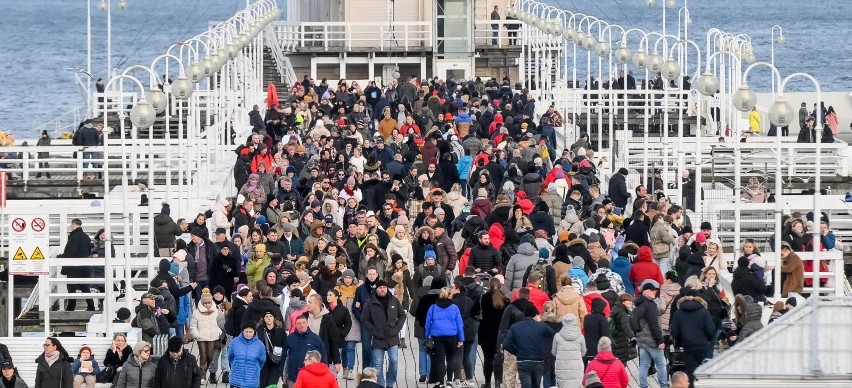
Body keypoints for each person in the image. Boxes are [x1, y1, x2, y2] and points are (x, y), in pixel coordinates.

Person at [360, 279, 407, 388]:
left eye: (384, 287)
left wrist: (397, 328)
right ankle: (380, 385)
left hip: (392, 337)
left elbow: (402, 315)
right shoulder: (370, 302)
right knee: (377, 364)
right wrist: (373, 330)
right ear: (376, 289)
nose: (382, 289)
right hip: (378, 338)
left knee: (394, 361)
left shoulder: (394, 300)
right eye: (380, 288)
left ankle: (390, 383)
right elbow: (364, 318)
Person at [503, 305, 556, 388]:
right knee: (536, 385)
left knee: (525, 384)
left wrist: (516, 352)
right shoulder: (541, 326)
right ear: (535, 314)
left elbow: (506, 344)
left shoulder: (515, 327)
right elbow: (553, 334)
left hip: (523, 360)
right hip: (538, 359)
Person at [669, 293, 715, 386]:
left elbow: (674, 331)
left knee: (691, 374)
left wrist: (681, 341)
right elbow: (711, 329)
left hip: (688, 346)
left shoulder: (679, 313)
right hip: (703, 346)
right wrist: (708, 339)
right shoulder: (703, 311)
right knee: (705, 373)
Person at [631, 279, 668, 388]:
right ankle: (663, 385)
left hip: (641, 340)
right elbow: (654, 325)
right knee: (661, 364)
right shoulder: (650, 306)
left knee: (643, 365)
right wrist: (660, 341)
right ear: (645, 291)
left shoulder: (638, 304)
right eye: (652, 291)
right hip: (652, 341)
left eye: (655, 291)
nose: (654, 292)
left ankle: (643, 386)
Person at [425, 287, 465, 385]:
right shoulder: (454, 307)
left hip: (437, 336)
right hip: (451, 336)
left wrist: (427, 336)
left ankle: (440, 382)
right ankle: (449, 381)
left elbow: (428, 324)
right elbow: (459, 324)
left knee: (440, 360)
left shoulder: (433, 307)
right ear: (450, 295)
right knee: (450, 358)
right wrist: (461, 338)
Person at [58, 218, 95, 311]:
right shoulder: (86, 237)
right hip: (84, 267)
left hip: (73, 268)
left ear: (73, 224)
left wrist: (60, 257)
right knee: (84, 287)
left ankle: (71, 308)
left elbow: (70, 253)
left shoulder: (74, 237)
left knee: (71, 288)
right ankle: (91, 306)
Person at [189, 291, 223, 385]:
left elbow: (220, 322)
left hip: (213, 336)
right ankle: (202, 376)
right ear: (202, 302)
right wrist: (196, 334)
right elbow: (192, 325)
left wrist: (219, 331)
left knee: (210, 356)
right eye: (205, 303)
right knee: (203, 356)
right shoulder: (196, 313)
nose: (207, 305)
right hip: (201, 337)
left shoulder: (216, 310)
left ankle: (202, 373)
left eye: (209, 303)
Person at [284, 314, 325, 387]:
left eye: (303, 323)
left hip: (310, 378)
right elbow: (284, 358)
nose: (301, 325)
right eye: (299, 323)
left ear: (307, 323)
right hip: (293, 378)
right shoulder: (289, 339)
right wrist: (284, 376)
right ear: (295, 325)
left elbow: (323, 358)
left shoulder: (315, 339)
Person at [551, 313, 586, 388]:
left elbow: (554, 352)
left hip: (562, 369)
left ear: (563, 322)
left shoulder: (557, 336)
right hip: (576, 368)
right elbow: (584, 352)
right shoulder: (580, 336)